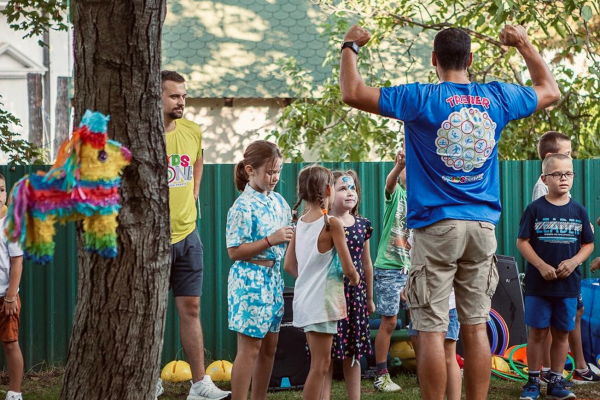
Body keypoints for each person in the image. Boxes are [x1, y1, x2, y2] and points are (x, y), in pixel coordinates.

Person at [339, 24, 560, 400]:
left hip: (437, 230)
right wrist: (523, 42)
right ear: (471, 60)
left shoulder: (420, 98)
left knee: (431, 329)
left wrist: (349, 46)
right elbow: (550, 91)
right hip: (481, 228)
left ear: (434, 61)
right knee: (475, 326)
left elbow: (352, 92)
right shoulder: (497, 97)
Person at [159, 70, 230, 400]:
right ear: (156, 97)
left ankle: (199, 385)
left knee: (191, 309)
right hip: (153, 240)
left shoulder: (191, 130)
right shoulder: (143, 134)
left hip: (188, 236)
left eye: (184, 96)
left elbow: (198, 158)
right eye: (174, 96)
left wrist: (196, 190)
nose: (181, 102)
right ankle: (147, 378)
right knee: (150, 312)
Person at [517, 153, 594, 400]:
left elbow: (588, 245)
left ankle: (556, 383)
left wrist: (573, 262)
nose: (564, 178)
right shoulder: (535, 209)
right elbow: (522, 242)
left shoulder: (579, 210)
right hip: (539, 286)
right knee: (537, 333)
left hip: (568, 287)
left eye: (568, 173)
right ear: (544, 178)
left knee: (562, 333)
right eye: (557, 174)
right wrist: (540, 265)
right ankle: (532, 383)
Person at [284, 164, 360, 400]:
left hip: (305, 302)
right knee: (320, 365)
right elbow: (349, 268)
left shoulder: (300, 225)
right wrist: (356, 279)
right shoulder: (332, 224)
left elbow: (289, 266)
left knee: (320, 364)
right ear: (328, 190)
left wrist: (309, 279)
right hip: (323, 305)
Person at [530, 131, 600, 385]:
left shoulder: (571, 200)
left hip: (569, 268)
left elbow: (582, 235)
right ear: (551, 159)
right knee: (549, 322)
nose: (570, 163)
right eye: (567, 155)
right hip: (554, 270)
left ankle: (572, 367)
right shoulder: (543, 192)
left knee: (574, 314)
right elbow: (543, 228)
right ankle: (548, 370)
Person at [226, 140, 293, 400]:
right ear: (250, 170)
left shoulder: (279, 202)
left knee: (270, 348)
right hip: (249, 279)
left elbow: (290, 233)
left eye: (278, 171)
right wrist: (270, 240)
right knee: (250, 349)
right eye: (270, 172)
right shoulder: (242, 207)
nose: (275, 177)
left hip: (273, 279)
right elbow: (234, 251)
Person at [321, 170, 374, 400]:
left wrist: (370, 298)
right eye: (343, 189)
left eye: (352, 188)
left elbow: (367, 263)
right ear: (330, 194)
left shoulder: (363, 225)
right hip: (329, 297)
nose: (350, 192)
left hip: (356, 297)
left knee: (353, 354)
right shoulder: (324, 224)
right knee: (326, 355)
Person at [372, 151, 410, 392]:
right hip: (388, 268)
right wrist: (398, 166)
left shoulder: (423, 200)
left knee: (419, 322)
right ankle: (381, 374)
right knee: (390, 321)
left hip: (411, 269)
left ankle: (425, 367)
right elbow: (389, 183)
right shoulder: (397, 195)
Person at [0, 174, 25, 400]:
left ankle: (15, 394)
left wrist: (10, 297)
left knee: (10, 344)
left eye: (1, 190)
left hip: (4, 298)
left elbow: (17, 262)